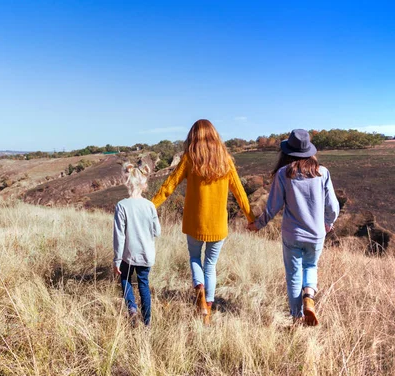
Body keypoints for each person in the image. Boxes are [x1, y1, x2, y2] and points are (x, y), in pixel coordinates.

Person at [151, 119, 255, 324]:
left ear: (193, 137)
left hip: (194, 223)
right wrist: (251, 218)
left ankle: (199, 286)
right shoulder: (225, 160)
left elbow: (169, 185)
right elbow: (240, 193)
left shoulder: (190, 158)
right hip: (218, 225)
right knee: (211, 264)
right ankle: (207, 307)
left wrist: (150, 206)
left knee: (195, 258)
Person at [248, 129, 340, 326]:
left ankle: (297, 317)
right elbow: (333, 206)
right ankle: (309, 296)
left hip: (292, 235)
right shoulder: (322, 173)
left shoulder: (283, 173)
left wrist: (258, 225)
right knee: (311, 266)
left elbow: (272, 206)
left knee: (293, 274)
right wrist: (328, 223)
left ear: (288, 152)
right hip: (316, 234)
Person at [113, 162, 161, 326]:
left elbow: (119, 236)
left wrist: (117, 259)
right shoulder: (150, 206)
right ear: (143, 184)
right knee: (143, 285)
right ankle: (147, 323)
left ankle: (132, 309)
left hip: (127, 254)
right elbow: (157, 231)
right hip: (146, 254)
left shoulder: (121, 206)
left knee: (125, 280)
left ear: (128, 182)